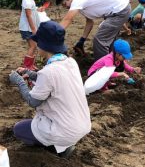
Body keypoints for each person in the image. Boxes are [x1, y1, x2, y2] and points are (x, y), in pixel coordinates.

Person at [9, 21, 91, 158]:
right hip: (82, 125)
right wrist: (30, 73)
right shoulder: (70, 62)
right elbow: (53, 79)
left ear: (43, 45)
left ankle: (56, 148)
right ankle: (63, 143)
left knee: (19, 130)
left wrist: (19, 81)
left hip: (64, 130)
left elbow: (32, 101)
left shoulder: (48, 72)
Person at [55, 0, 131, 60]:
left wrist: (52, 34)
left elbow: (67, 19)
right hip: (118, 10)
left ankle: (102, 69)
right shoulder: (81, 1)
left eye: (64, 4)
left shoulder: (78, 0)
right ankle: (113, 62)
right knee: (108, 40)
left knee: (99, 41)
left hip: (120, 10)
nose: (65, 7)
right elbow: (90, 22)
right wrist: (82, 40)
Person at [19, 0, 44, 70]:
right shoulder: (26, 0)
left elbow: (32, 10)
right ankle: (26, 66)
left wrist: (38, 9)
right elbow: (29, 16)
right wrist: (34, 29)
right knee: (33, 46)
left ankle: (30, 65)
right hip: (27, 28)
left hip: (29, 27)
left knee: (33, 46)